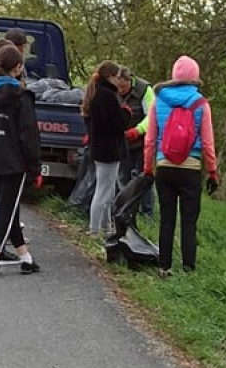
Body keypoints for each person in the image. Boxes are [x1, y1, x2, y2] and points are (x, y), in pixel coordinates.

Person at [143, 55, 218, 278]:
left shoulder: (158, 101)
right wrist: (213, 171)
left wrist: (148, 167)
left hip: (164, 165)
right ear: (195, 77)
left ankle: (164, 267)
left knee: (166, 218)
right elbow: (207, 143)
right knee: (189, 220)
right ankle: (188, 268)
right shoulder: (201, 104)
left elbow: (150, 139)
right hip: (190, 167)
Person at [0, 44, 42, 277]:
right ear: (18, 67)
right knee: (7, 209)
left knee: (10, 210)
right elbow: (28, 135)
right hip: (14, 162)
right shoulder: (21, 97)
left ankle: (25, 257)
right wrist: (34, 167)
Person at [81, 61, 131, 237]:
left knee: (107, 190)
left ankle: (106, 227)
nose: (120, 80)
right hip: (108, 150)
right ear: (110, 77)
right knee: (104, 190)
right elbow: (117, 124)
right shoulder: (108, 96)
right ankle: (95, 229)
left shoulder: (98, 94)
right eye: (118, 76)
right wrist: (126, 113)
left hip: (100, 148)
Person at [116, 66, 155, 218]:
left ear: (130, 81)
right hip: (122, 143)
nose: (120, 91)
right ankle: (124, 211)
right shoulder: (113, 89)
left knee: (144, 178)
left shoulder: (144, 90)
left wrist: (137, 131)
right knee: (122, 178)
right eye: (118, 88)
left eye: (123, 87)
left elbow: (152, 116)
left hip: (143, 142)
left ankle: (147, 213)